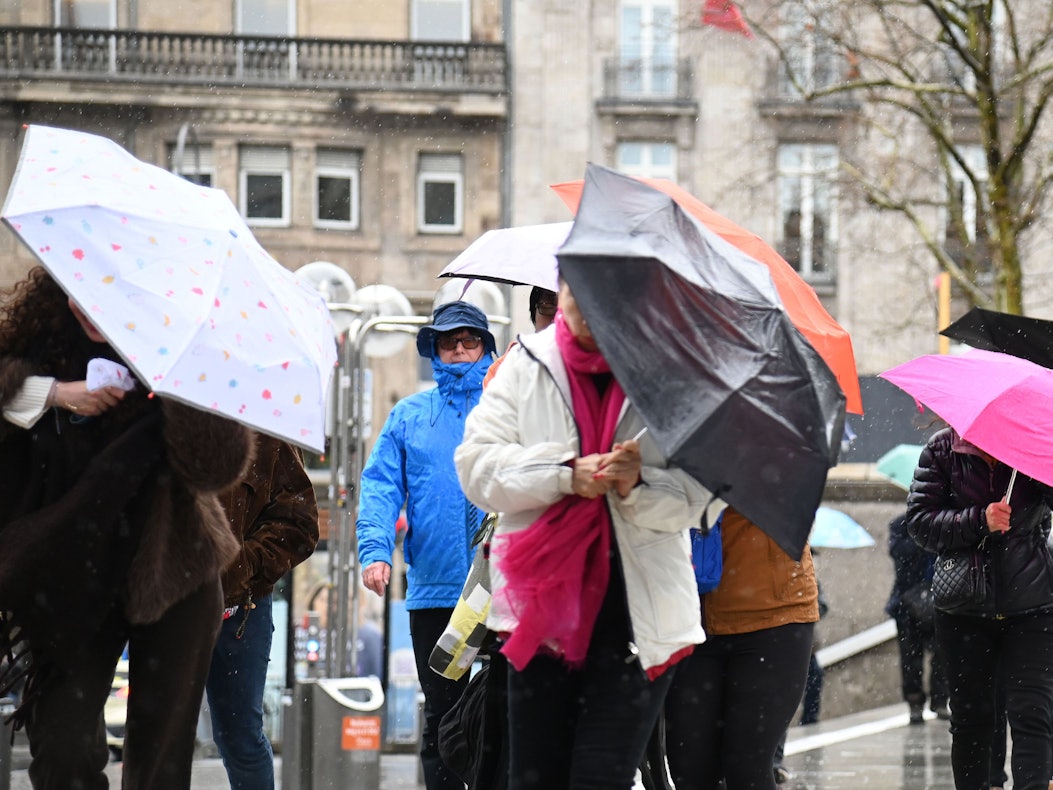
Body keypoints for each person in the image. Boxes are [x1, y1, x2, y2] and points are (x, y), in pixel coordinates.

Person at [0, 267, 252, 789]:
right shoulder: (37, 342)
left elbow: (218, 468)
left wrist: (174, 376)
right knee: (61, 748)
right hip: (69, 574)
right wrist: (55, 394)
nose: (87, 307)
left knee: (160, 762)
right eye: (79, 291)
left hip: (176, 566)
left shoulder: (175, 350)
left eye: (107, 295)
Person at [455, 276, 709, 789]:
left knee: (599, 779)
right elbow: (477, 468)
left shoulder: (672, 374)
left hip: (639, 621)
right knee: (536, 780)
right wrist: (565, 472)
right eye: (575, 288)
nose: (586, 308)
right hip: (540, 616)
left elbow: (699, 497)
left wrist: (637, 483)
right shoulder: (528, 364)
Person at [357, 300, 496, 790]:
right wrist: (375, 551)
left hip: (502, 592)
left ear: (485, 347)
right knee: (443, 717)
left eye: (469, 341)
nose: (459, 351)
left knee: (501, 716)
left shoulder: (505, 407)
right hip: (437, 595)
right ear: (433, 351)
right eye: (448, 343)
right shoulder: (409, 416)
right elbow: (379, 486)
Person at [907, 427, 1053, 790]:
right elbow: (920, 523)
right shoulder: (942, 450)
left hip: (1031, 604)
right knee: (972, 718)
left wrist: (1039, 458)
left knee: (1032, 713)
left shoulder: (1032, 444)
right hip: (964, 609)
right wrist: (978, 520)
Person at [664, 506, 819, 790]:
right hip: (688, 617)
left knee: (747, 766)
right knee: (689, 768)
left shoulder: (776, 464)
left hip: (773, 616)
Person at [205, 432, 319, 790]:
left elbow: (300, 522)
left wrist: (240, 564)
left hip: (240, 610)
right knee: (157, 736)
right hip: (168, 606)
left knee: (240, 737)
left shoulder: (265, 429)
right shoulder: (163, 411)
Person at [885, 512, 949, 724]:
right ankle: (914, 702)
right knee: (910, 658)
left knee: (943, 654)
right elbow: (898, 553)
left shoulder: (943, 521)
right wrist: (922, 535)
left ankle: (940, 700)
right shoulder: (901, 524)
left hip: (941, 599)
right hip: (907, 602)